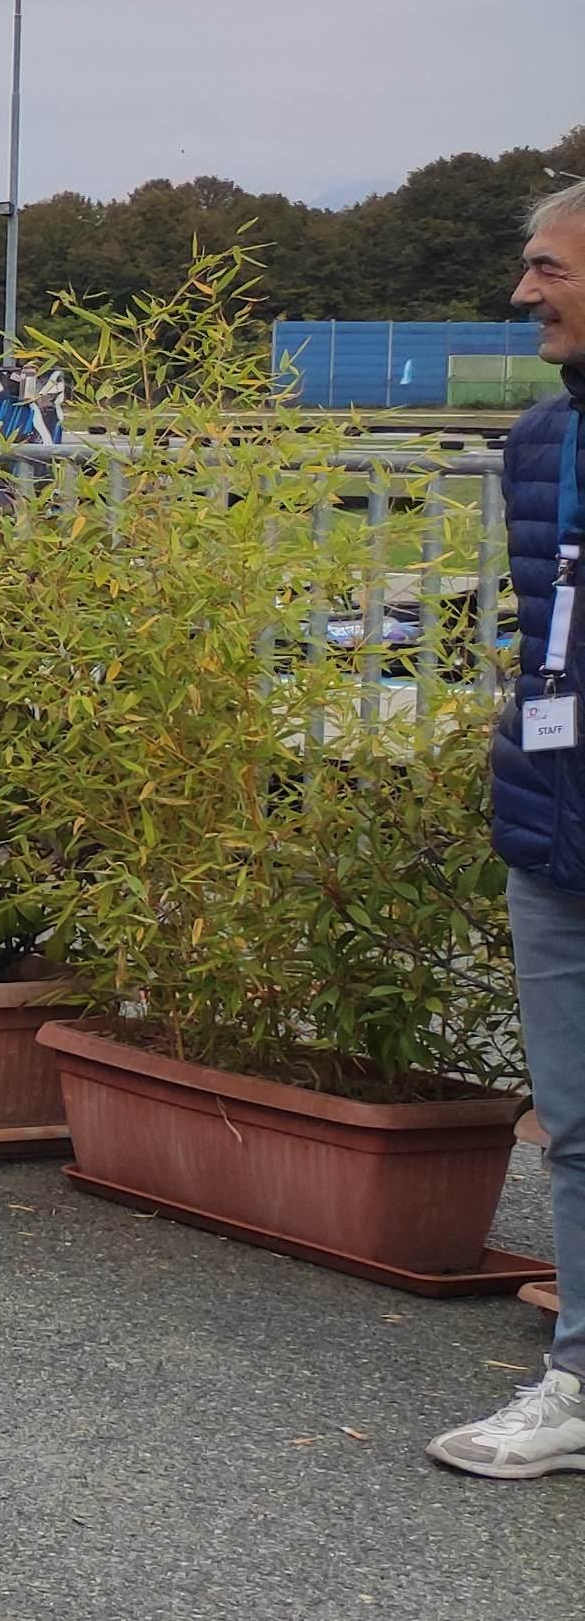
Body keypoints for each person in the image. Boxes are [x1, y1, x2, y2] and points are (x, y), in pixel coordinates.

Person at [433, 178, 585, 1480]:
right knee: (574, 1126)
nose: (524, 291)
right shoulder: (539, 442)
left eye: (549, 269)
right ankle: (578, 1380)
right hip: (552, 830)